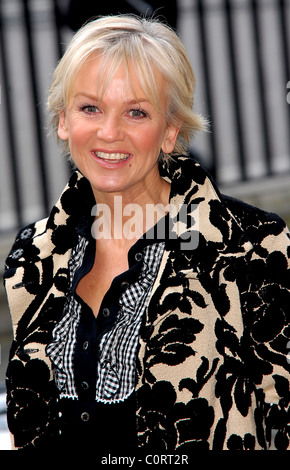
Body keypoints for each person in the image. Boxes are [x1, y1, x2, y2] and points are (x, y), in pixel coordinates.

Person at [3, 15, 290, 455]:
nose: (109, 132)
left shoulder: (253, 247)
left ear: (170, 131)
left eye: (136, 112)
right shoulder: (34, 256)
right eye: (90, 108)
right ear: (63, 121)